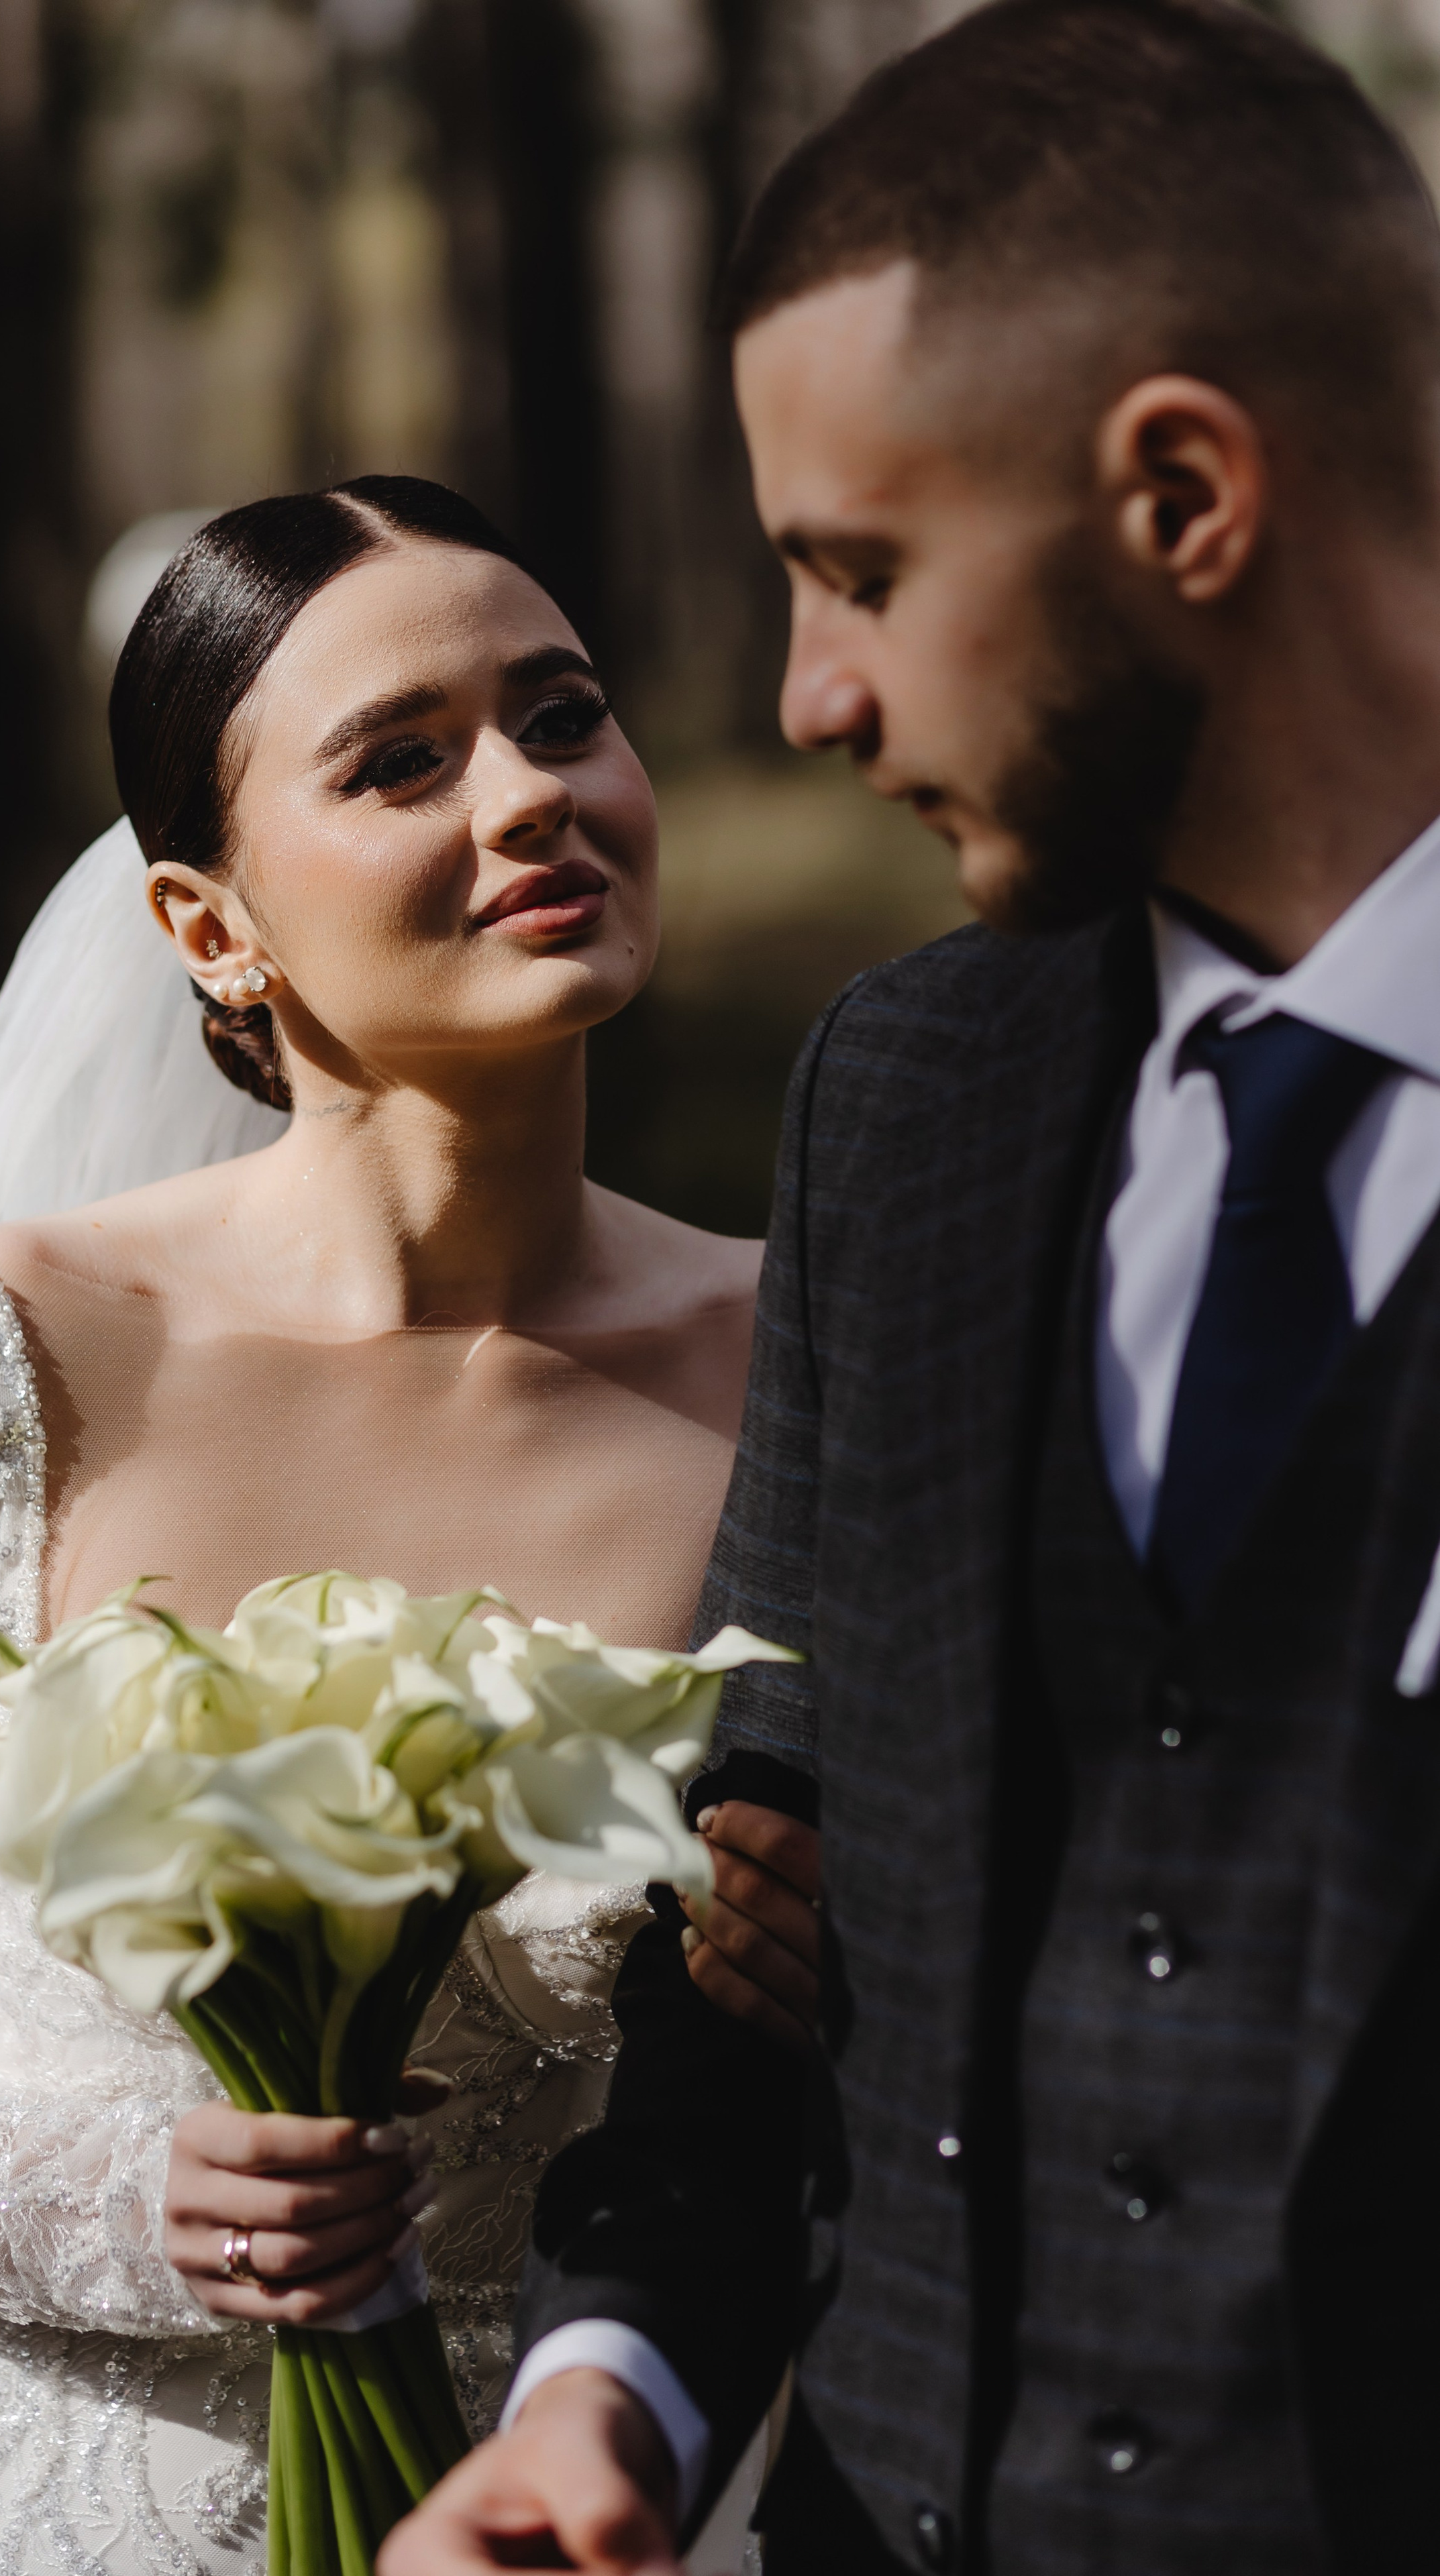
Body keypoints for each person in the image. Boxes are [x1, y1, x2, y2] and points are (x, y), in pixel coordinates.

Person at [384, 3, 1440, 2571]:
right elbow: (759, 1950)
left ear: (1182, 495)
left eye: (861, 571)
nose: (808, 696)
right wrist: (607, 2401)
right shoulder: (906, 1102)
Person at [0, 475, 817, 2574]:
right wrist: (129, 2209)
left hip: (588, 2508)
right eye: (403, 761)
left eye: (563, 716)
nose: (531, 794)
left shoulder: (806, 1364)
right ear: (209, 926)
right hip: (51, 2510)